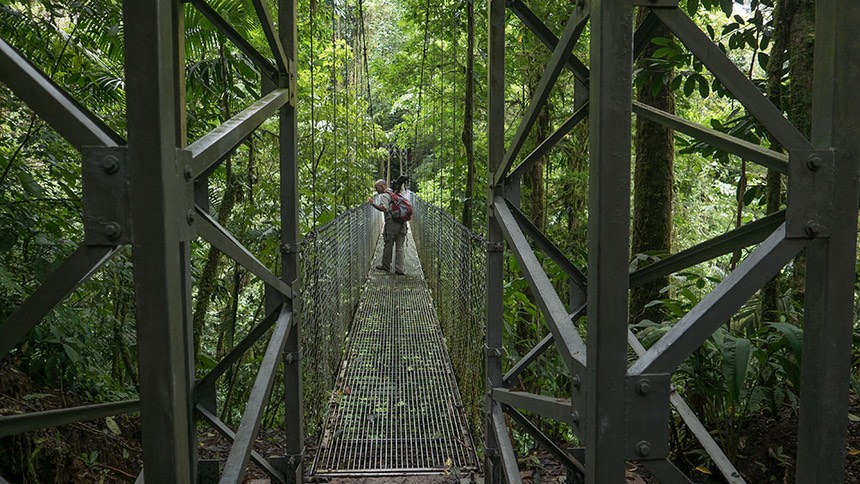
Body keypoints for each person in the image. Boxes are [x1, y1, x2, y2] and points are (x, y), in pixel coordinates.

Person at [369, 179, 408, 275]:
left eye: (376, 187)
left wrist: (373, 204)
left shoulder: (385, 195)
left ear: (382, 186)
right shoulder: (397, 193)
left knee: (388, 244)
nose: (376, 189)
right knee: (400, 246)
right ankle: (400, 269)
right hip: (402, 223)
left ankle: (386, 266)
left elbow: (384, 208)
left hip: (392, 224)